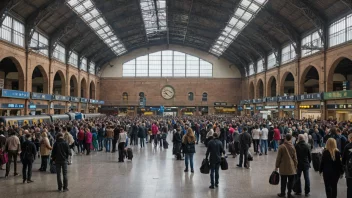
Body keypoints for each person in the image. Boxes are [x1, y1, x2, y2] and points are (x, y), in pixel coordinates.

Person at [275, 134, 298, 198]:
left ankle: (282, 193)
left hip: (283, 167)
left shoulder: (281, 147)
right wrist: (295, 166)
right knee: (290, 181)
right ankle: (289, 193)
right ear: (290, 139)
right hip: (291, 167)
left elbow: (278, 158)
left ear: (285, 138)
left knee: (283, 181)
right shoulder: (293, 146)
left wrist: (276, 166)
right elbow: (295, 158)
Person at [342, 133, 352, 198]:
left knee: (350, 187)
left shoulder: (347, 146)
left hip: (350, 170)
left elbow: (343, 159)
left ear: (350, 138)